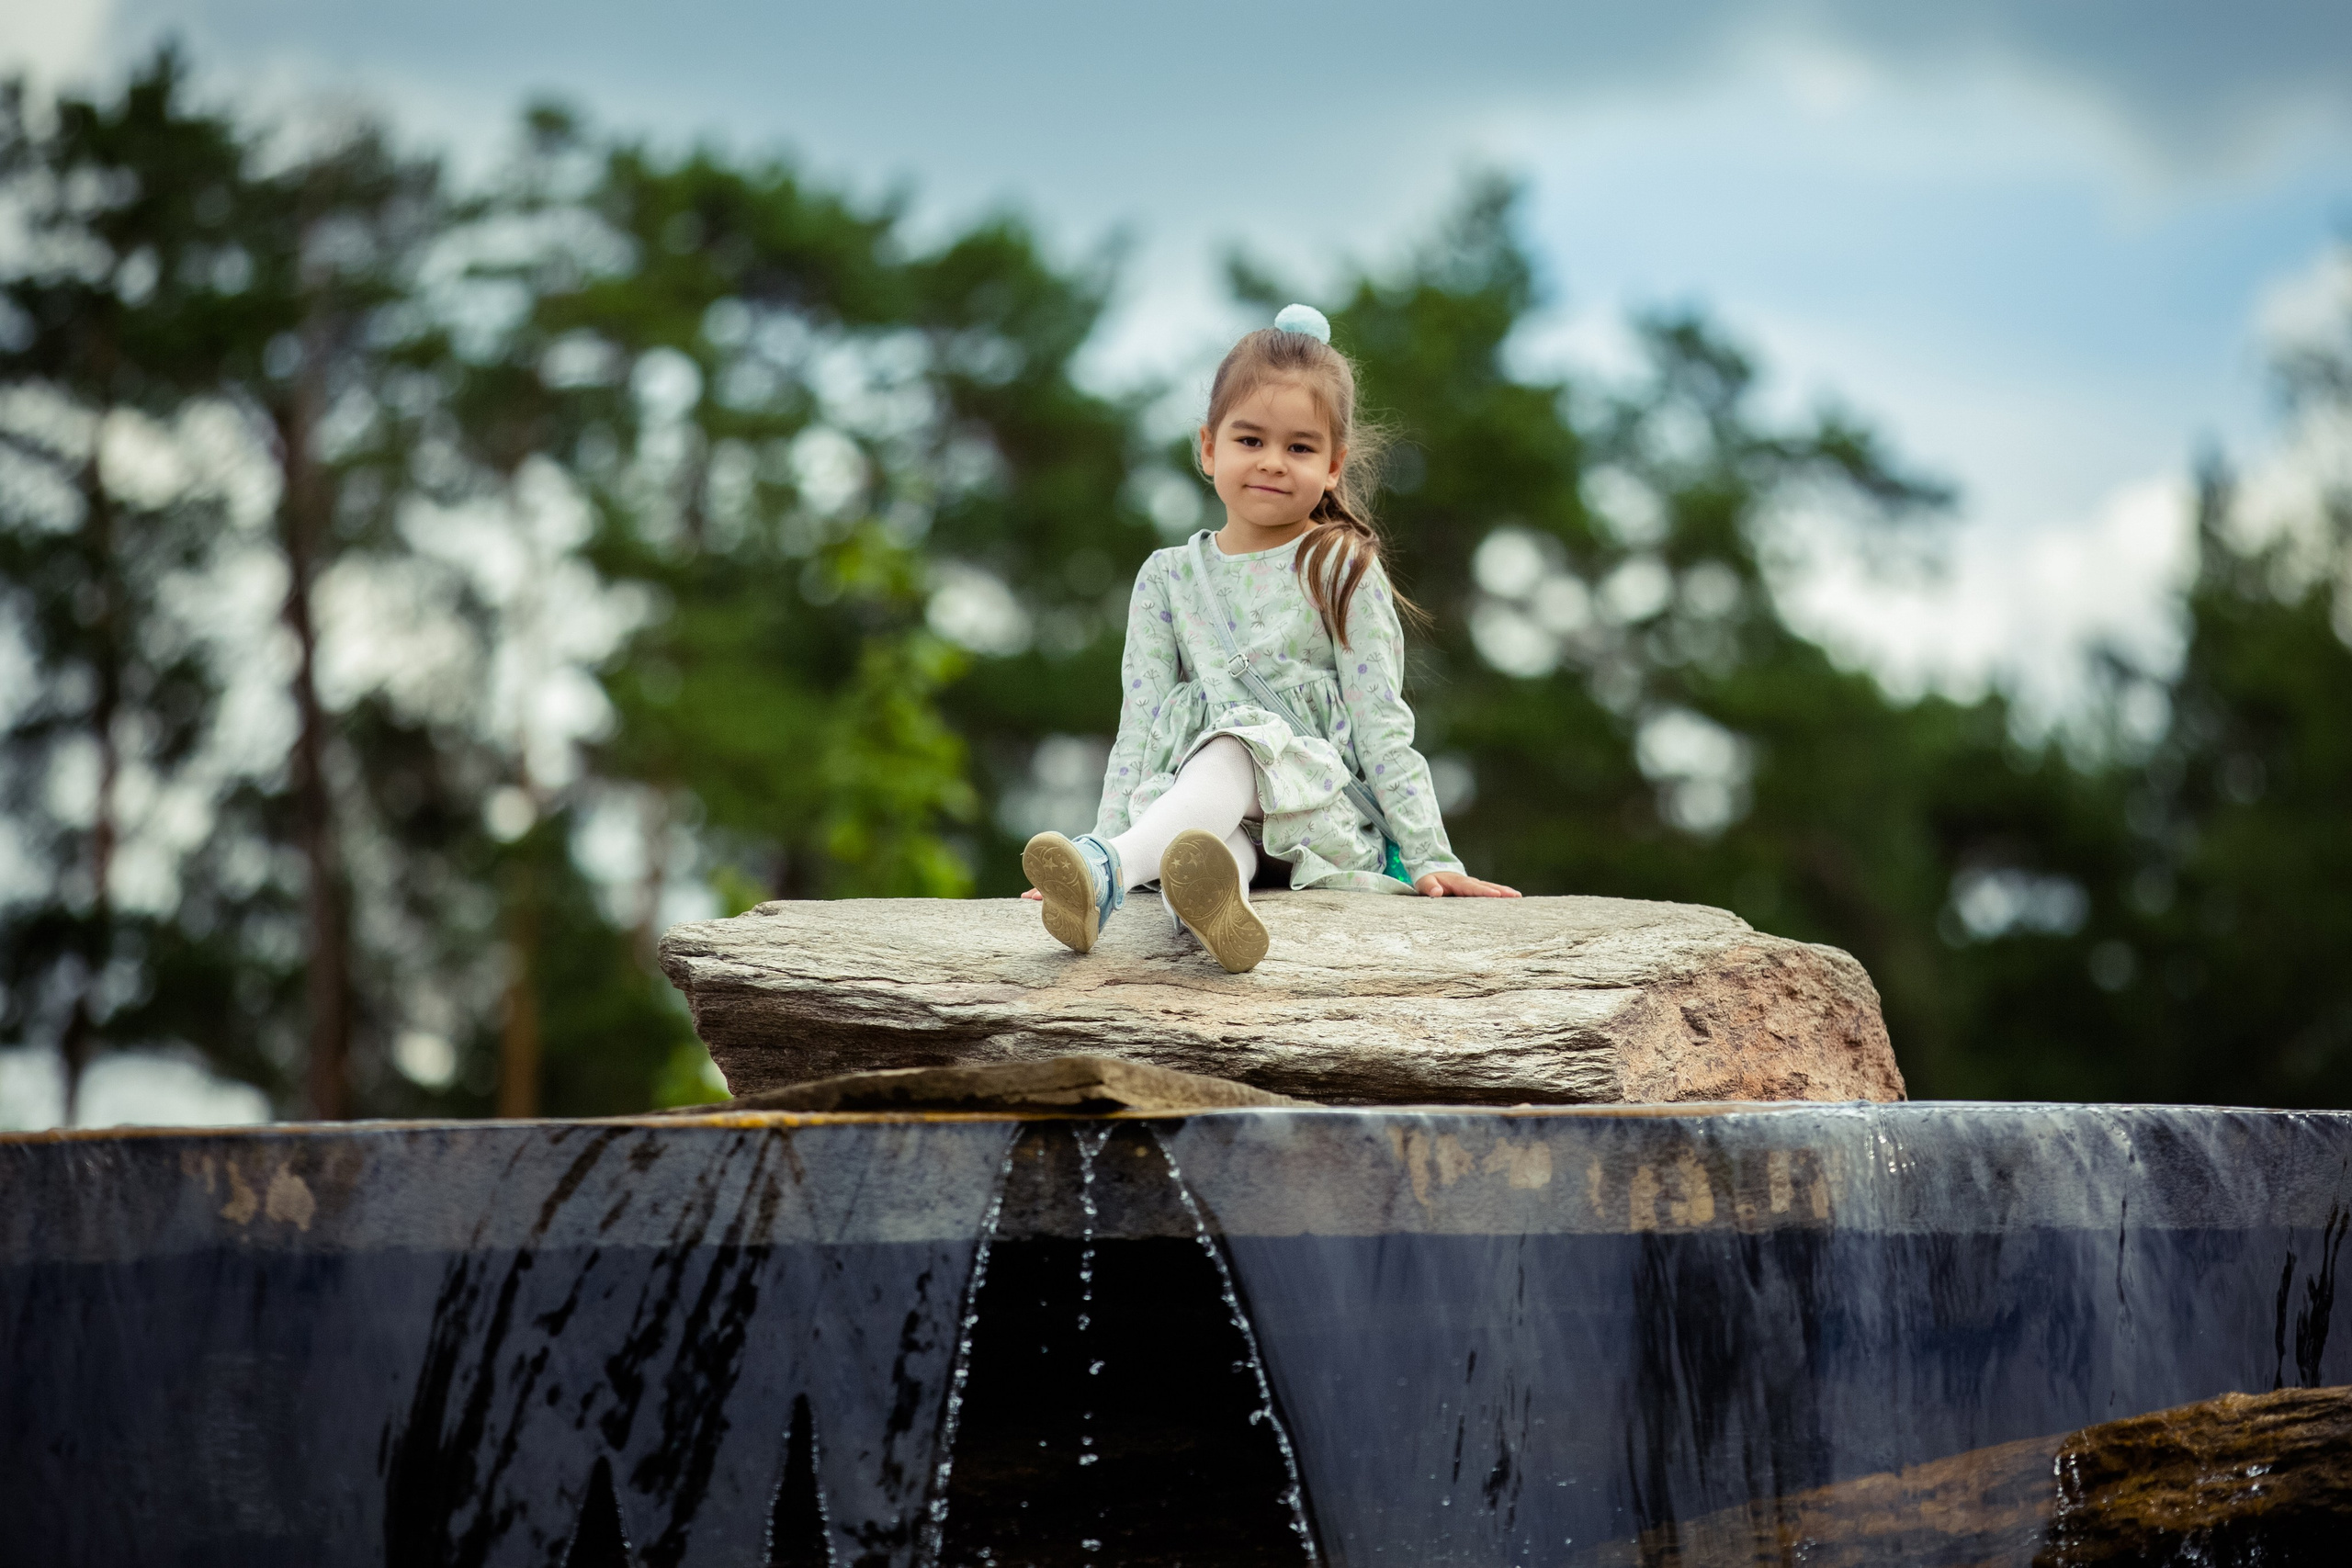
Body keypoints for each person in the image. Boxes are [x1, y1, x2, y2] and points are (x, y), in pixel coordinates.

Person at [1021, 304, 1519, 973]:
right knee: (1203, 852)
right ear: (1209, 448)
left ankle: (1106, 869)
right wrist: (1115, 822)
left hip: (1316, 813)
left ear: (1334, 465)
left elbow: (1381, 721)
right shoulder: (1168, 576)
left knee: (1237, 741)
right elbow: (1138, 725)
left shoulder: (1340, 565)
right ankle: (1203, 909)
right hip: (1207, 807)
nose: (1273, 463)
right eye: (1250, 440)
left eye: (1300, 448)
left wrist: (1432, 855)